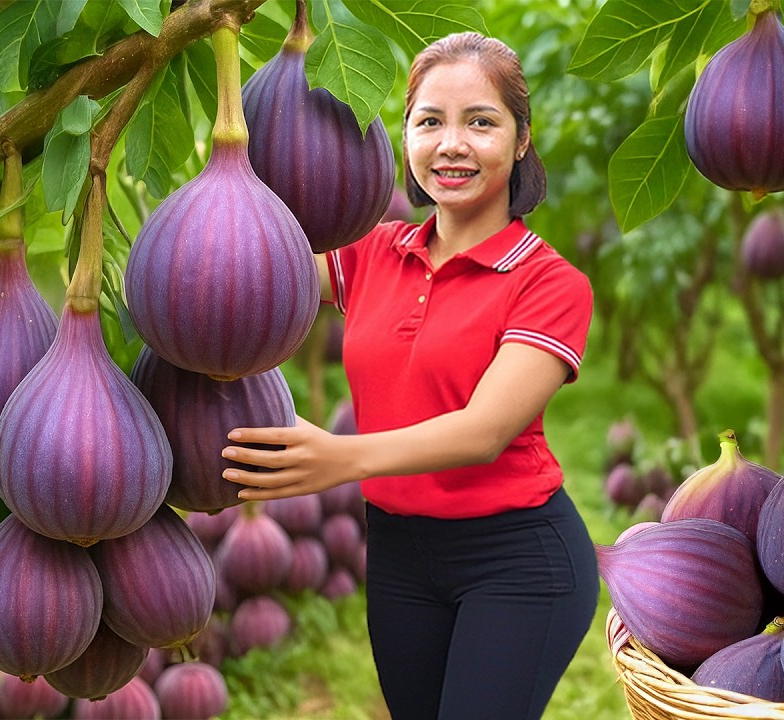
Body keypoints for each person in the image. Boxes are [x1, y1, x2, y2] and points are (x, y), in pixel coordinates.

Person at [220, 31, 598, 720]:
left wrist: (340, 460)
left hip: (516, 558)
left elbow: (483, 432)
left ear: (520, 141)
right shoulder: (374, 252)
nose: (451, 144)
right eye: (430, 122)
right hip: (398, 553)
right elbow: (253, 274)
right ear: (405, 138)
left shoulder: (550, 282)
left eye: (480, 122)